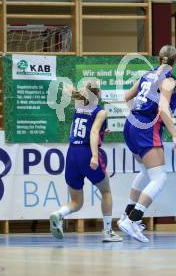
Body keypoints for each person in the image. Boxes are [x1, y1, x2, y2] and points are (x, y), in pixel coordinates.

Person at [118, 45, 176, 243]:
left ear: (159, 59)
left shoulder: (147, 75)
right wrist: (174, 135)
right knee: (159, 178)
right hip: (146, 128)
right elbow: (163, 109)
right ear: (175, 61)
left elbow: (127, 96)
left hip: (131, 124)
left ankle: (126, 216)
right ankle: (133, 219)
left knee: (147, 173)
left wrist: (138, 114)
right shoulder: (169, 80)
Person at [49, 81, 122, 242]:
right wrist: (95, 156)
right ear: (99, 94)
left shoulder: (79, 107)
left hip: (72, 153)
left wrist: (102, 130)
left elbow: (80, 129)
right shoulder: (100, 111)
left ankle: (59, 214)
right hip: (87, 152)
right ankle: (108, 231)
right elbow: (93, 132)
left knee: (76, 202)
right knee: (106, 191)